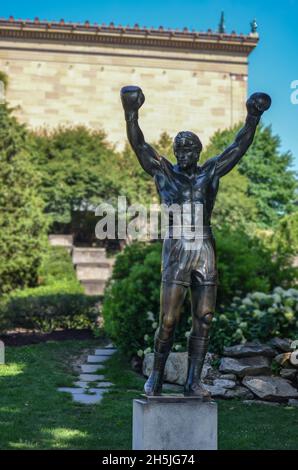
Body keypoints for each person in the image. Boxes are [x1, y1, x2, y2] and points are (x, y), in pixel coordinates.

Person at [120, 85, 271, 398]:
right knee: (169, 318)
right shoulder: (164, 172)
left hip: (204, 246)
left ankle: (193, 382)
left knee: (204, 318)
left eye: (189, 149)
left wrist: (252, 118)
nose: (183, 153)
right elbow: (139, 145)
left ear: (198, 152)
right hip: (176, 246)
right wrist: (131, 112)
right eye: (180, 148)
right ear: (175, 152)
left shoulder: (210, 173)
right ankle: (156, 377)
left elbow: (237, 147)